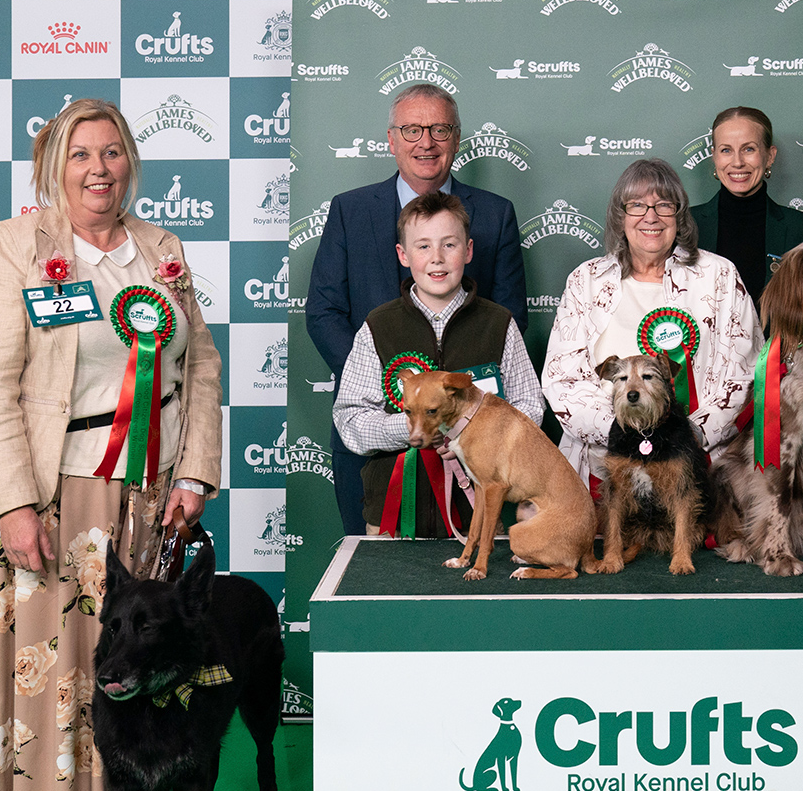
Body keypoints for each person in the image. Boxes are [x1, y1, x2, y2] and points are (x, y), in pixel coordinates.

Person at [0, 98, 224, 791]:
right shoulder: (17, 245)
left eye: (113, 153)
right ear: (53, 167)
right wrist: (15, 504)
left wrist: (196, 473)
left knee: (127, 679)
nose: (99, 169)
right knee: (51, 678)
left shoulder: (160, 251)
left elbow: (199, 368)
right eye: (81, 156)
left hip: (143, 499)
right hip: (54, 490)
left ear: (131, 160)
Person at [308, 84, 528, 534]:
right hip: (377, 447)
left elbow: (510, 320)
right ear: (391, 139)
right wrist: (393, 391)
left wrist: (455, 413)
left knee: (479, 572)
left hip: (473, 444)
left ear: (457, 138)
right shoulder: (349, 210)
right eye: (411, 129)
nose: (425, 142)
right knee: (374, 572)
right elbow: (323, 312)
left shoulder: (495, 212)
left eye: (439, 129)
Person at [542, 158, 759, 492]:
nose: (651, 216)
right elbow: (563, 380)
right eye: (637, 205)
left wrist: (686, 437)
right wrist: (621, 433)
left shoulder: (720, 276)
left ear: (679, 215)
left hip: (700, 467)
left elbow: (744, 376)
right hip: (606, 467)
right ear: (620, 216)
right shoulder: (586, 280)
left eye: (664, 205)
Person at [332, 191, 543, 535]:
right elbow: (350, 419)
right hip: (392, 516)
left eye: (450, 245)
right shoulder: (377, 326)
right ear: (403, 254)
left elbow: (529, 407)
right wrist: (418, 429)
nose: (437, 259)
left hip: (482, 514)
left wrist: (469, 435)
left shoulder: (499, 323)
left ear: (469, 250)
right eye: (423, 246)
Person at [690, 106, 803, 306]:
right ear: (714, 157)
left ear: (770, 156)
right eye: (726, 150)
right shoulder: (684, 226)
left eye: (749, 149)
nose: (738, 162)